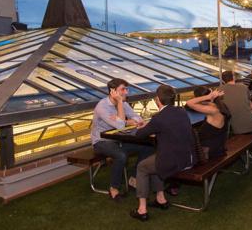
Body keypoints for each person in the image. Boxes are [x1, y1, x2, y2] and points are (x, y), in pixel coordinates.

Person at [130, 85, 197, 221]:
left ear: (157, 100)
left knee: (142, 167)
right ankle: (161, 199)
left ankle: (142, 210)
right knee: (155, 160)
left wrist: (144, 127)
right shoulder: (181, 111)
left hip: (175, 161)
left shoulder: (159, 118)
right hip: (188, 157)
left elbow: (139, 135)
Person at [90, 78, 154, 200]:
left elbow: (138, 119)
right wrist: (120, 105)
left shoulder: (124, 104)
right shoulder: (102, 107)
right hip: (102, 142)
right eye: (123, 89)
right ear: (112, 91)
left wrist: (125, 120)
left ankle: (134, 178)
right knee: (121, 155)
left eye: (127, 89)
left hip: (119, 139)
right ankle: (114, 188)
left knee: (148, 146)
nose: (126, 92)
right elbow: (120, 126)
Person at [186, 86, 230, 159]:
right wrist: (211, 96)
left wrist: (209, 96)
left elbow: (189, 103)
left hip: (210, 151)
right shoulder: (218, 105)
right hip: (218, 146)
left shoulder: (212, 110)